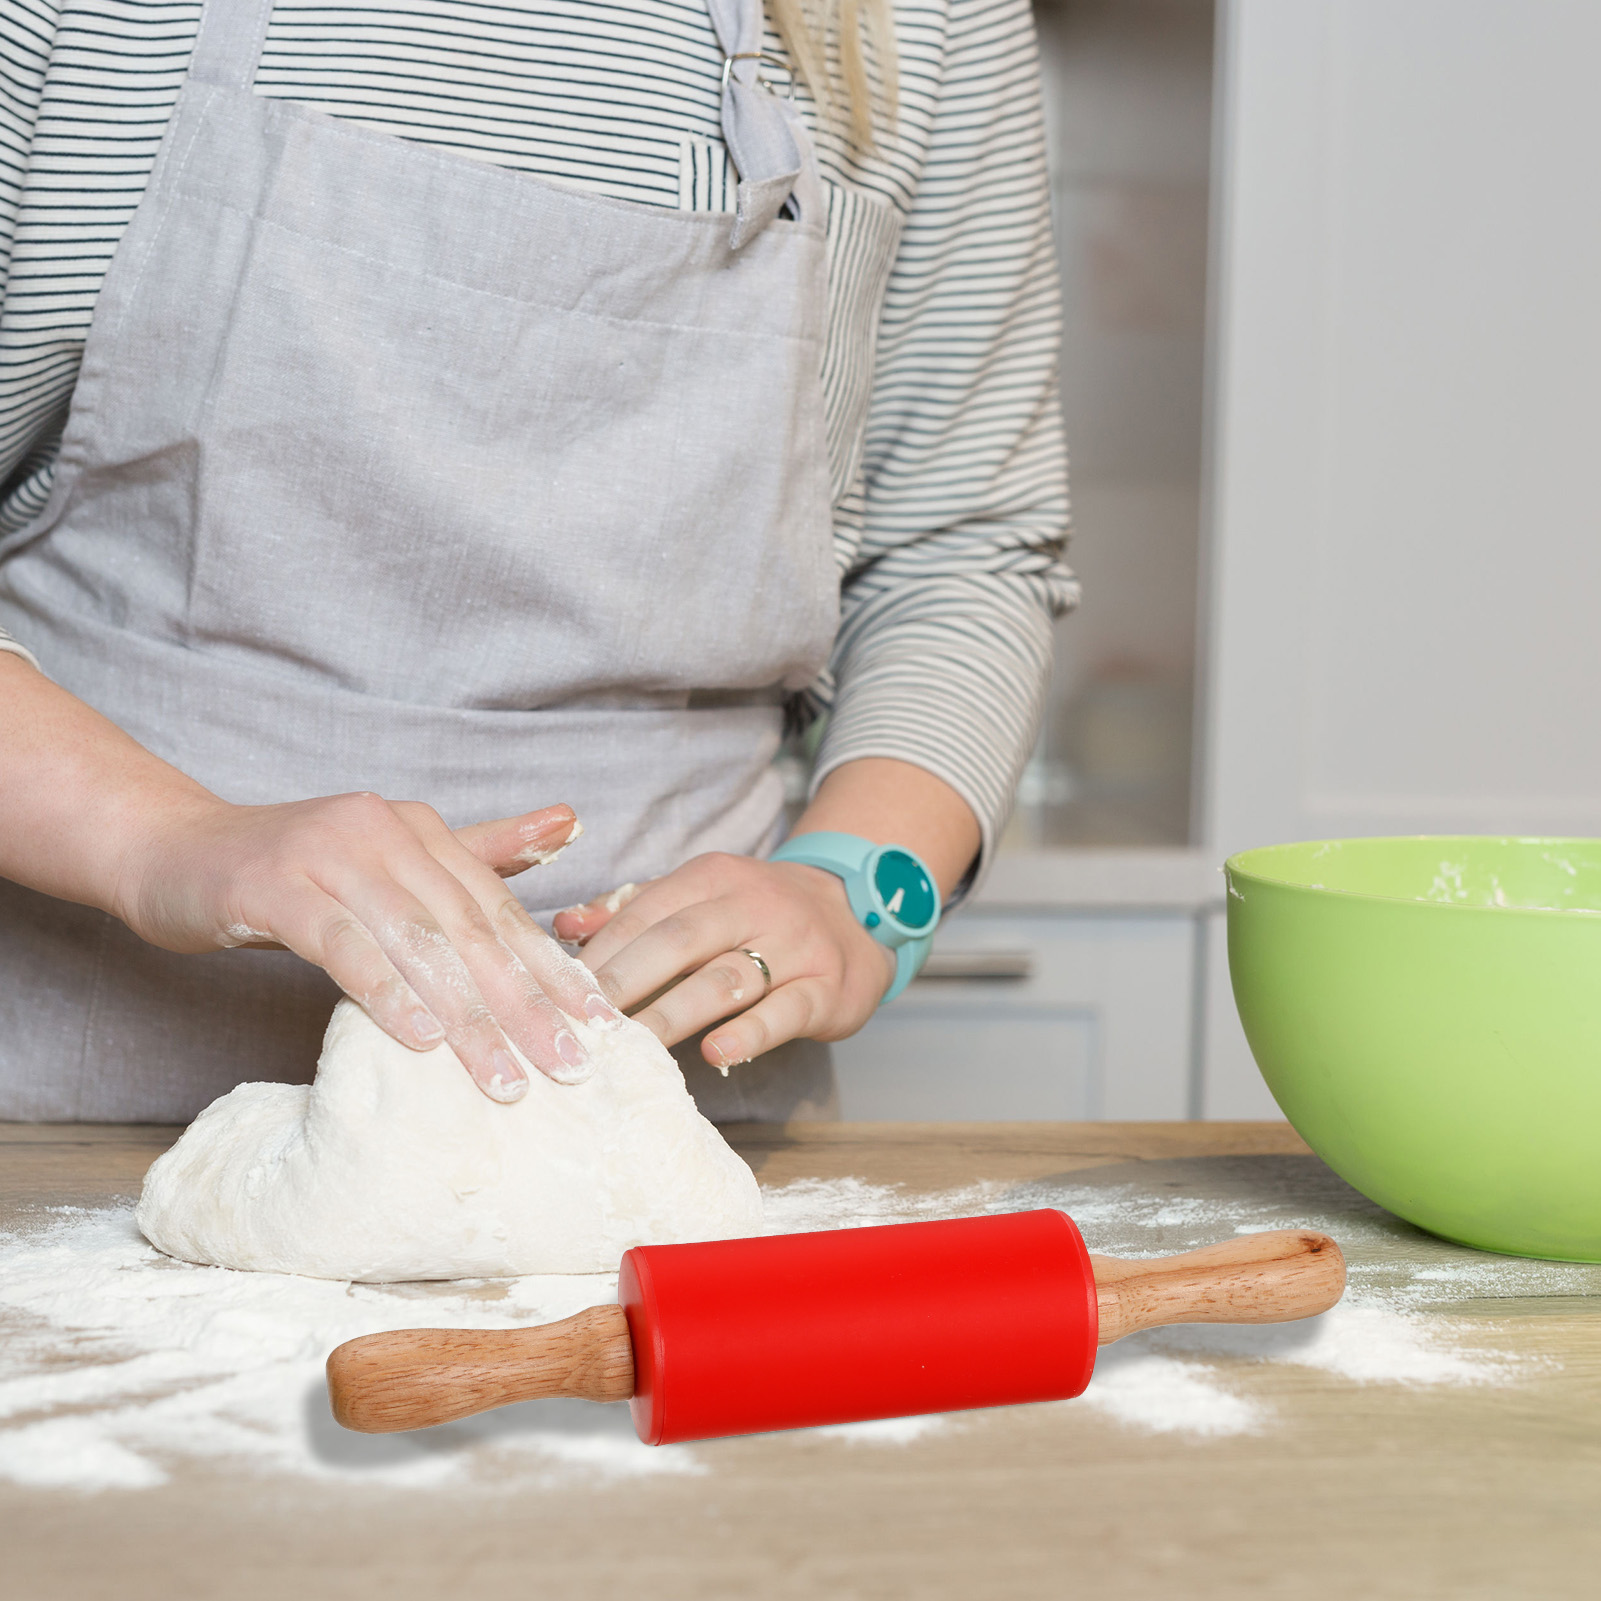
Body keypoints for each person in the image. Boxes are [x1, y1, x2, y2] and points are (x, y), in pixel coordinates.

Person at [0, 0, 1075, 1124]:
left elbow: (958, 546)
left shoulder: (931, 21)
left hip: (686, 1103)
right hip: (88, 1087)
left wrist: (850, 888)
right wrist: (162, 835)